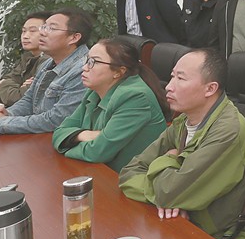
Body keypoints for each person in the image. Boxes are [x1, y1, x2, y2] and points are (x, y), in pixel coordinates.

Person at [118, 47, 245, 239]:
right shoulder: (183, 122)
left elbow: (169, 193)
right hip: (201, 218)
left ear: (210, 89)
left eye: (181, 78)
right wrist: (176, 196)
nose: (168, 86)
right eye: (171, 76)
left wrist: (169, 160)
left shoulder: (228, 131)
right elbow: (130, 172)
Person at [52, 37, 169, 172]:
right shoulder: (94, 91)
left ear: (119, 72)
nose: (84, 67)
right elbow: (60, 131)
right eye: (86, 60)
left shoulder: (135, 97)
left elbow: (96, 152)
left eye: (93, 62)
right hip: (98, 170)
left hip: (127, 178)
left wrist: (67, 144)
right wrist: (82, 135)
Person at [0, 8, 91, 134]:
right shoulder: (47, 63)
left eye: (51, 28)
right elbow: (29, 100)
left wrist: (2, 122)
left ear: (74, 37)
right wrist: (6, 113)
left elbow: (58, 119)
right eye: (43, 27)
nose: (42, 33)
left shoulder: (84, 69)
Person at [0, 11, 51, 106]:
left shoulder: (49, 61)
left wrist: (3, 85)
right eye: (23, 31)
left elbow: (19, 99)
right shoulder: (28, 57)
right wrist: (14, 87)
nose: (25, 36)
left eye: (32, 31)